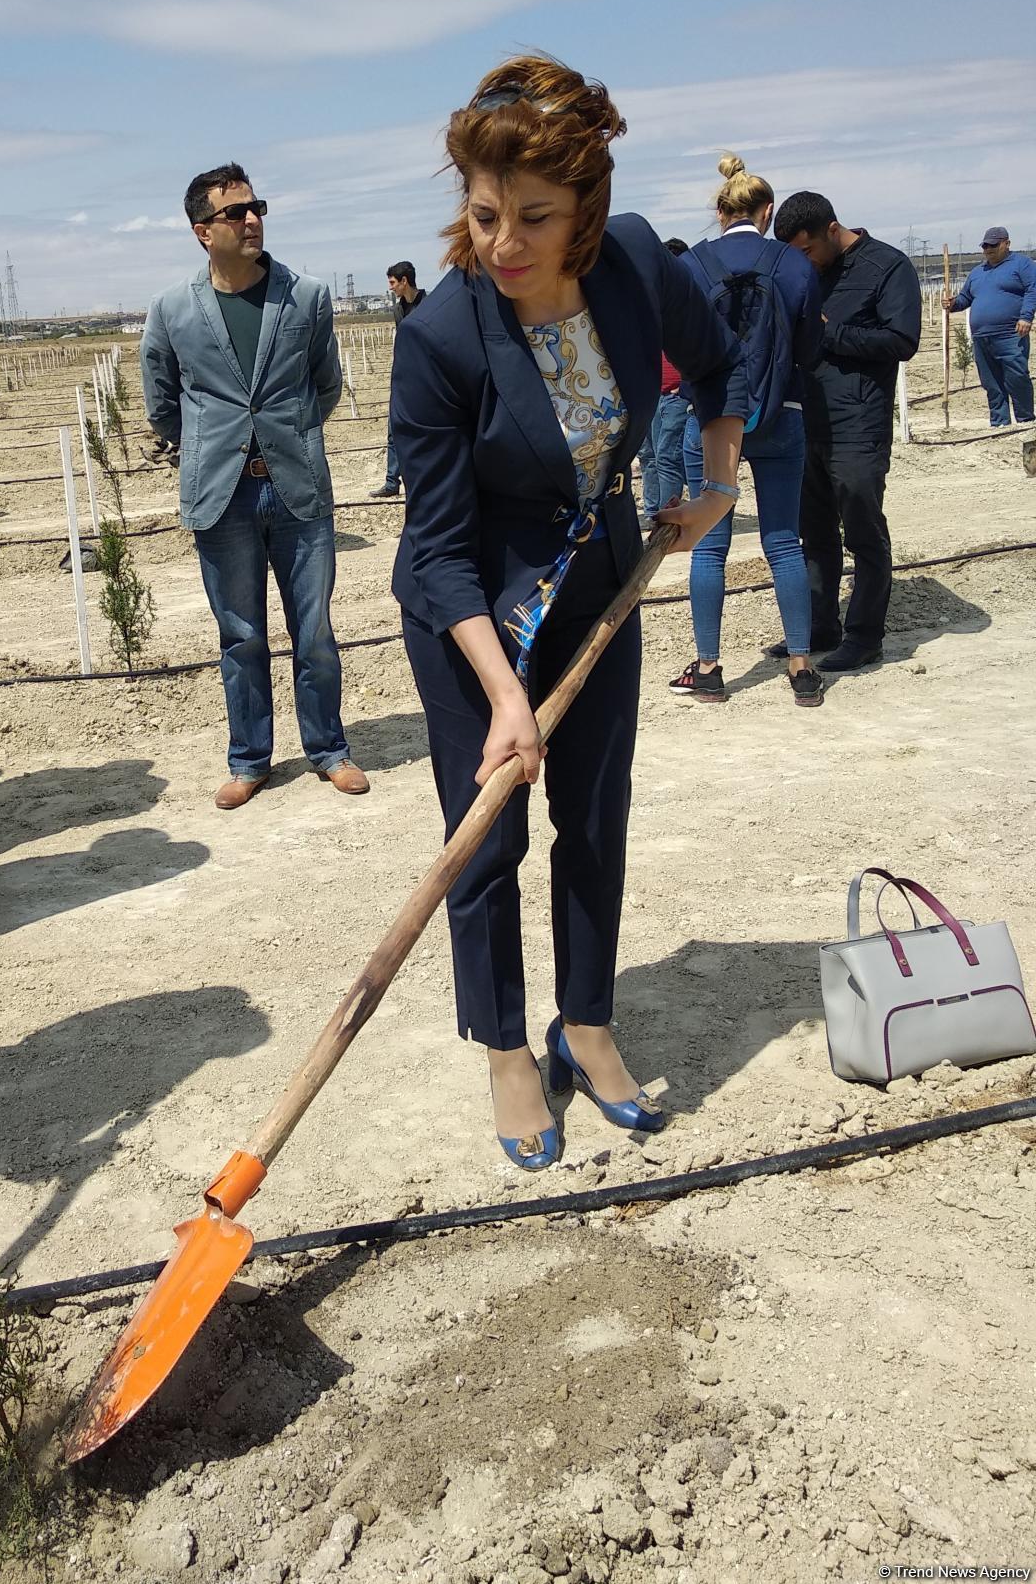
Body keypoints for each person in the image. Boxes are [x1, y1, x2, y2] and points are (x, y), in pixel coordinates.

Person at [391, 56, 745, 1171]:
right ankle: (505, 1048)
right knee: (487, 837)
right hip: (472, 613)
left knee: (594, 814)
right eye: (484, 215)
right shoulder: (442, 337)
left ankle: (585, 1024)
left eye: (534, 218)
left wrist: (718, 483)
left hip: (598, 584)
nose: (504, 243)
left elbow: (721, 365)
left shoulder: (634, 263)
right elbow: (438, 548)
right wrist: (505, 696)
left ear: (585, 210)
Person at [141, 162, 368, 808]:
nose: (251, 220)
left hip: (297, 487)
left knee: (314, 631)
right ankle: (250, 760)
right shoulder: (172, 309)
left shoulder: (306, 297)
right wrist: (211, 446)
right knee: (240, 637)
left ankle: (329, 750)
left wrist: (288, 437)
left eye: (256, 207)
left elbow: (325, 385)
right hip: (222, 495)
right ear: (202, 231)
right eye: (235, 212)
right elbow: (162, 403)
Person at [668, 157, 825, 706]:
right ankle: (801, 668)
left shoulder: (691, 264)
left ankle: (709, 669)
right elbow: (809, 347)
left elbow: (676, 347)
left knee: (710, 547)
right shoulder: (794, 264)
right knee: (782, 541)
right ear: (768, 212)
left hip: (711, 418)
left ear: (719, 212)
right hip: (781, 414)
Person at [772, 192, 921, 671]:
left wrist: (829, 331)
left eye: (808, 250)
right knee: (814, 533)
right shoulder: (807, 274)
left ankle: (864, 636)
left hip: (858, 423)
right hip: (807, 420)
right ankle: (820, 626)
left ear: (832, 230)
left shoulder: (888, 268)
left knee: (862, 529)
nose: (804, 261)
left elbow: (902, 340)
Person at [946, 228, 1035, 427]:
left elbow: (1032, 290)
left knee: (1017, 376)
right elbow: (965, 298)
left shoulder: (1022, 264)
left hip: (1010, 334)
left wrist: (1026, 317)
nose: (989, 249)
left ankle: (1026, 420)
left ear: (1007, 244)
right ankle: (999, 422)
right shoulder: (977, 272)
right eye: (985, 246)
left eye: (993, 245)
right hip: (981, 337)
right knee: (991, 382)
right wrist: (953, 304)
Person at [635, 237, 690, 524]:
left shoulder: (688, 302)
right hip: (651, 393)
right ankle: (652, 514)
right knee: (649, 455)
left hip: (676, 393)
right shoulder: (649, 301)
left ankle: (666, 519)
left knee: (667, 456)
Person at [369, 262, 426, 498]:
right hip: (402, 376)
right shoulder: (397, 310)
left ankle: (421, 480)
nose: (391, 287)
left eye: (393, 282)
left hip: (425, 380)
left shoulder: (429, 305)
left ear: (404, 281)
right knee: (394, 429)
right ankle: (392, 482)